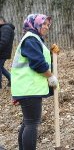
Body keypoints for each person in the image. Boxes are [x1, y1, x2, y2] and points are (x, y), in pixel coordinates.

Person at [11, 14, 59, 150]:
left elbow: (39, 58)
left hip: (27, 88)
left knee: (28, 122)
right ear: (34, 23)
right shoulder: (31, 39)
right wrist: (50, 77)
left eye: (48, 25)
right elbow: (37, 64)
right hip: (28, 88)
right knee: (32, 123)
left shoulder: (34, 39)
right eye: (43, 24)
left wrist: (51, 54)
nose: (46, 27)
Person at [0, 16, 15, 90]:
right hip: (3, 52)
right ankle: (11, 79)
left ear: (2, 20)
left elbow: (3, 41)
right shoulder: (4, 28)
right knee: (1, 68)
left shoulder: (6, 28)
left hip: (2, 52)